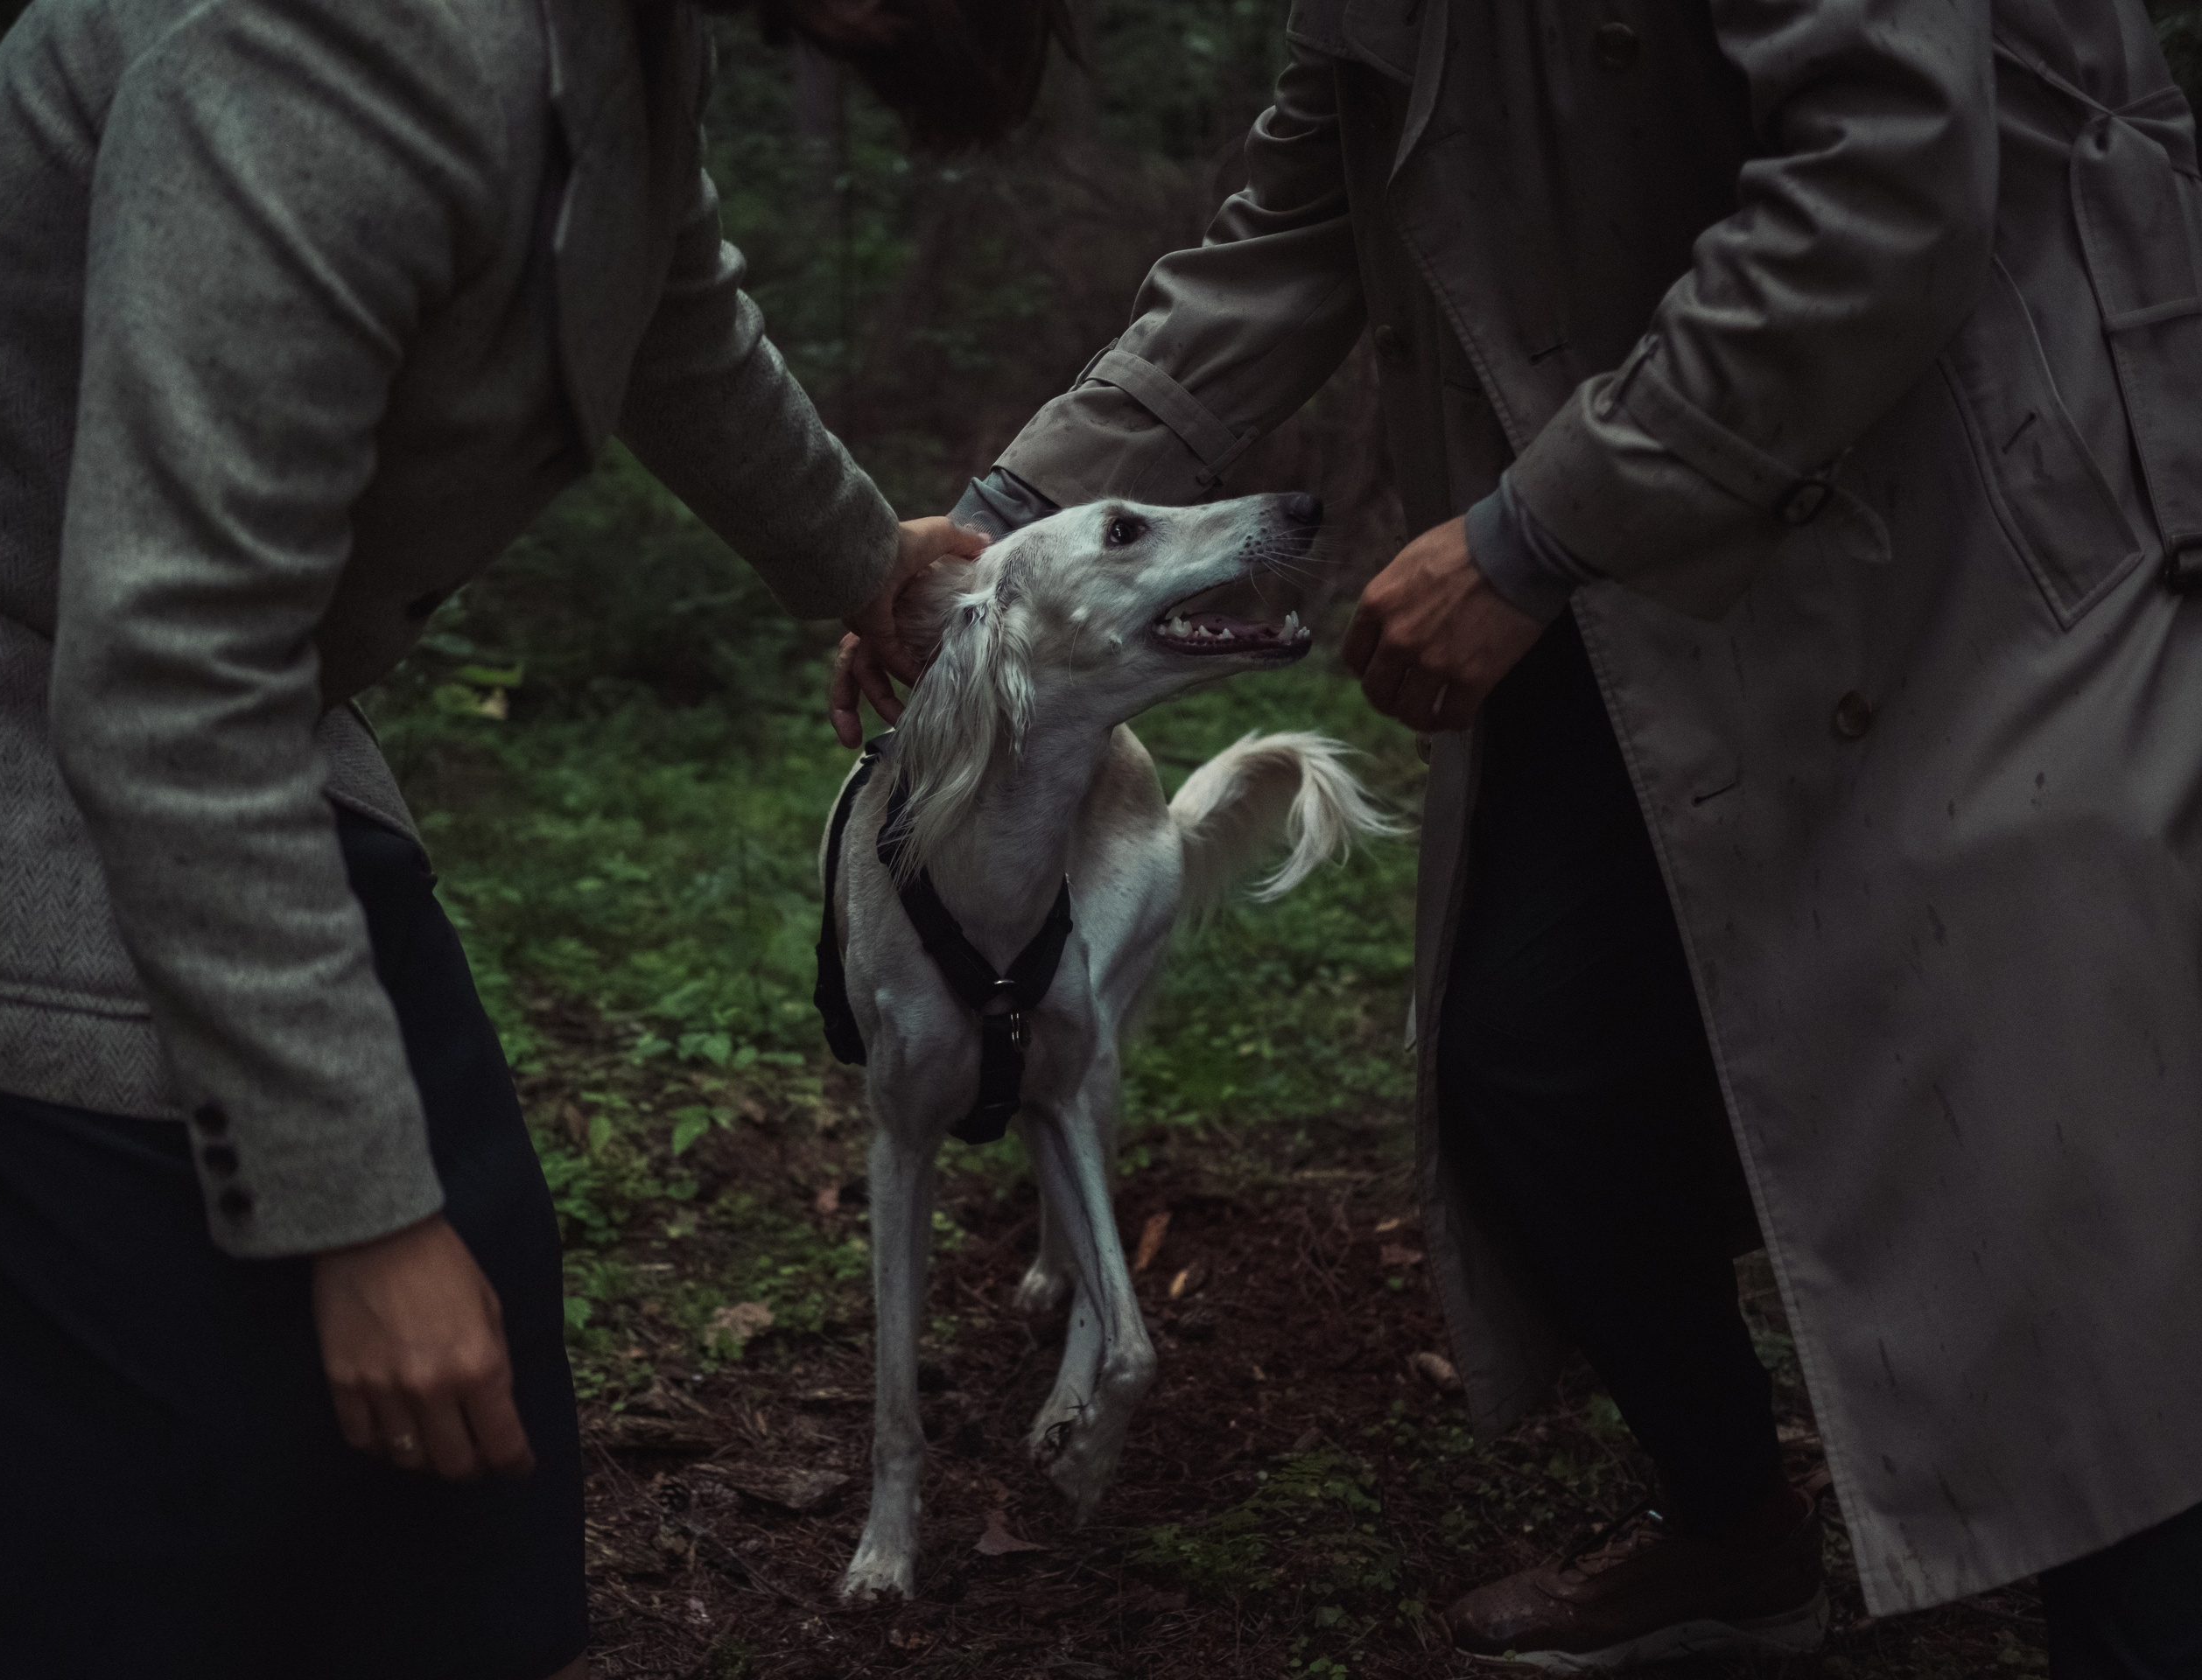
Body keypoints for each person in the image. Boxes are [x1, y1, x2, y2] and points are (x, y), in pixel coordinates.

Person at [833, 1, 2202, 1672]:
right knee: (1531, 1048)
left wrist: (1532, 536)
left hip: (1984, 477)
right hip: (1644, 515)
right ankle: (1734, 1531)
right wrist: (1001, 531)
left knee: (2055, 1127)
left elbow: (1885, 182)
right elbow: (1287, 236)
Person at [0, 0, 1067, 1674]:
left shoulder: (630, 32)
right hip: (27, 766)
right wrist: (357, 1218)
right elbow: (173, 669)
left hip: (231, 736)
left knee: (465, 1407)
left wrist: (867, 563)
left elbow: (666, 307)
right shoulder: (337, 41)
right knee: (153, 1489)